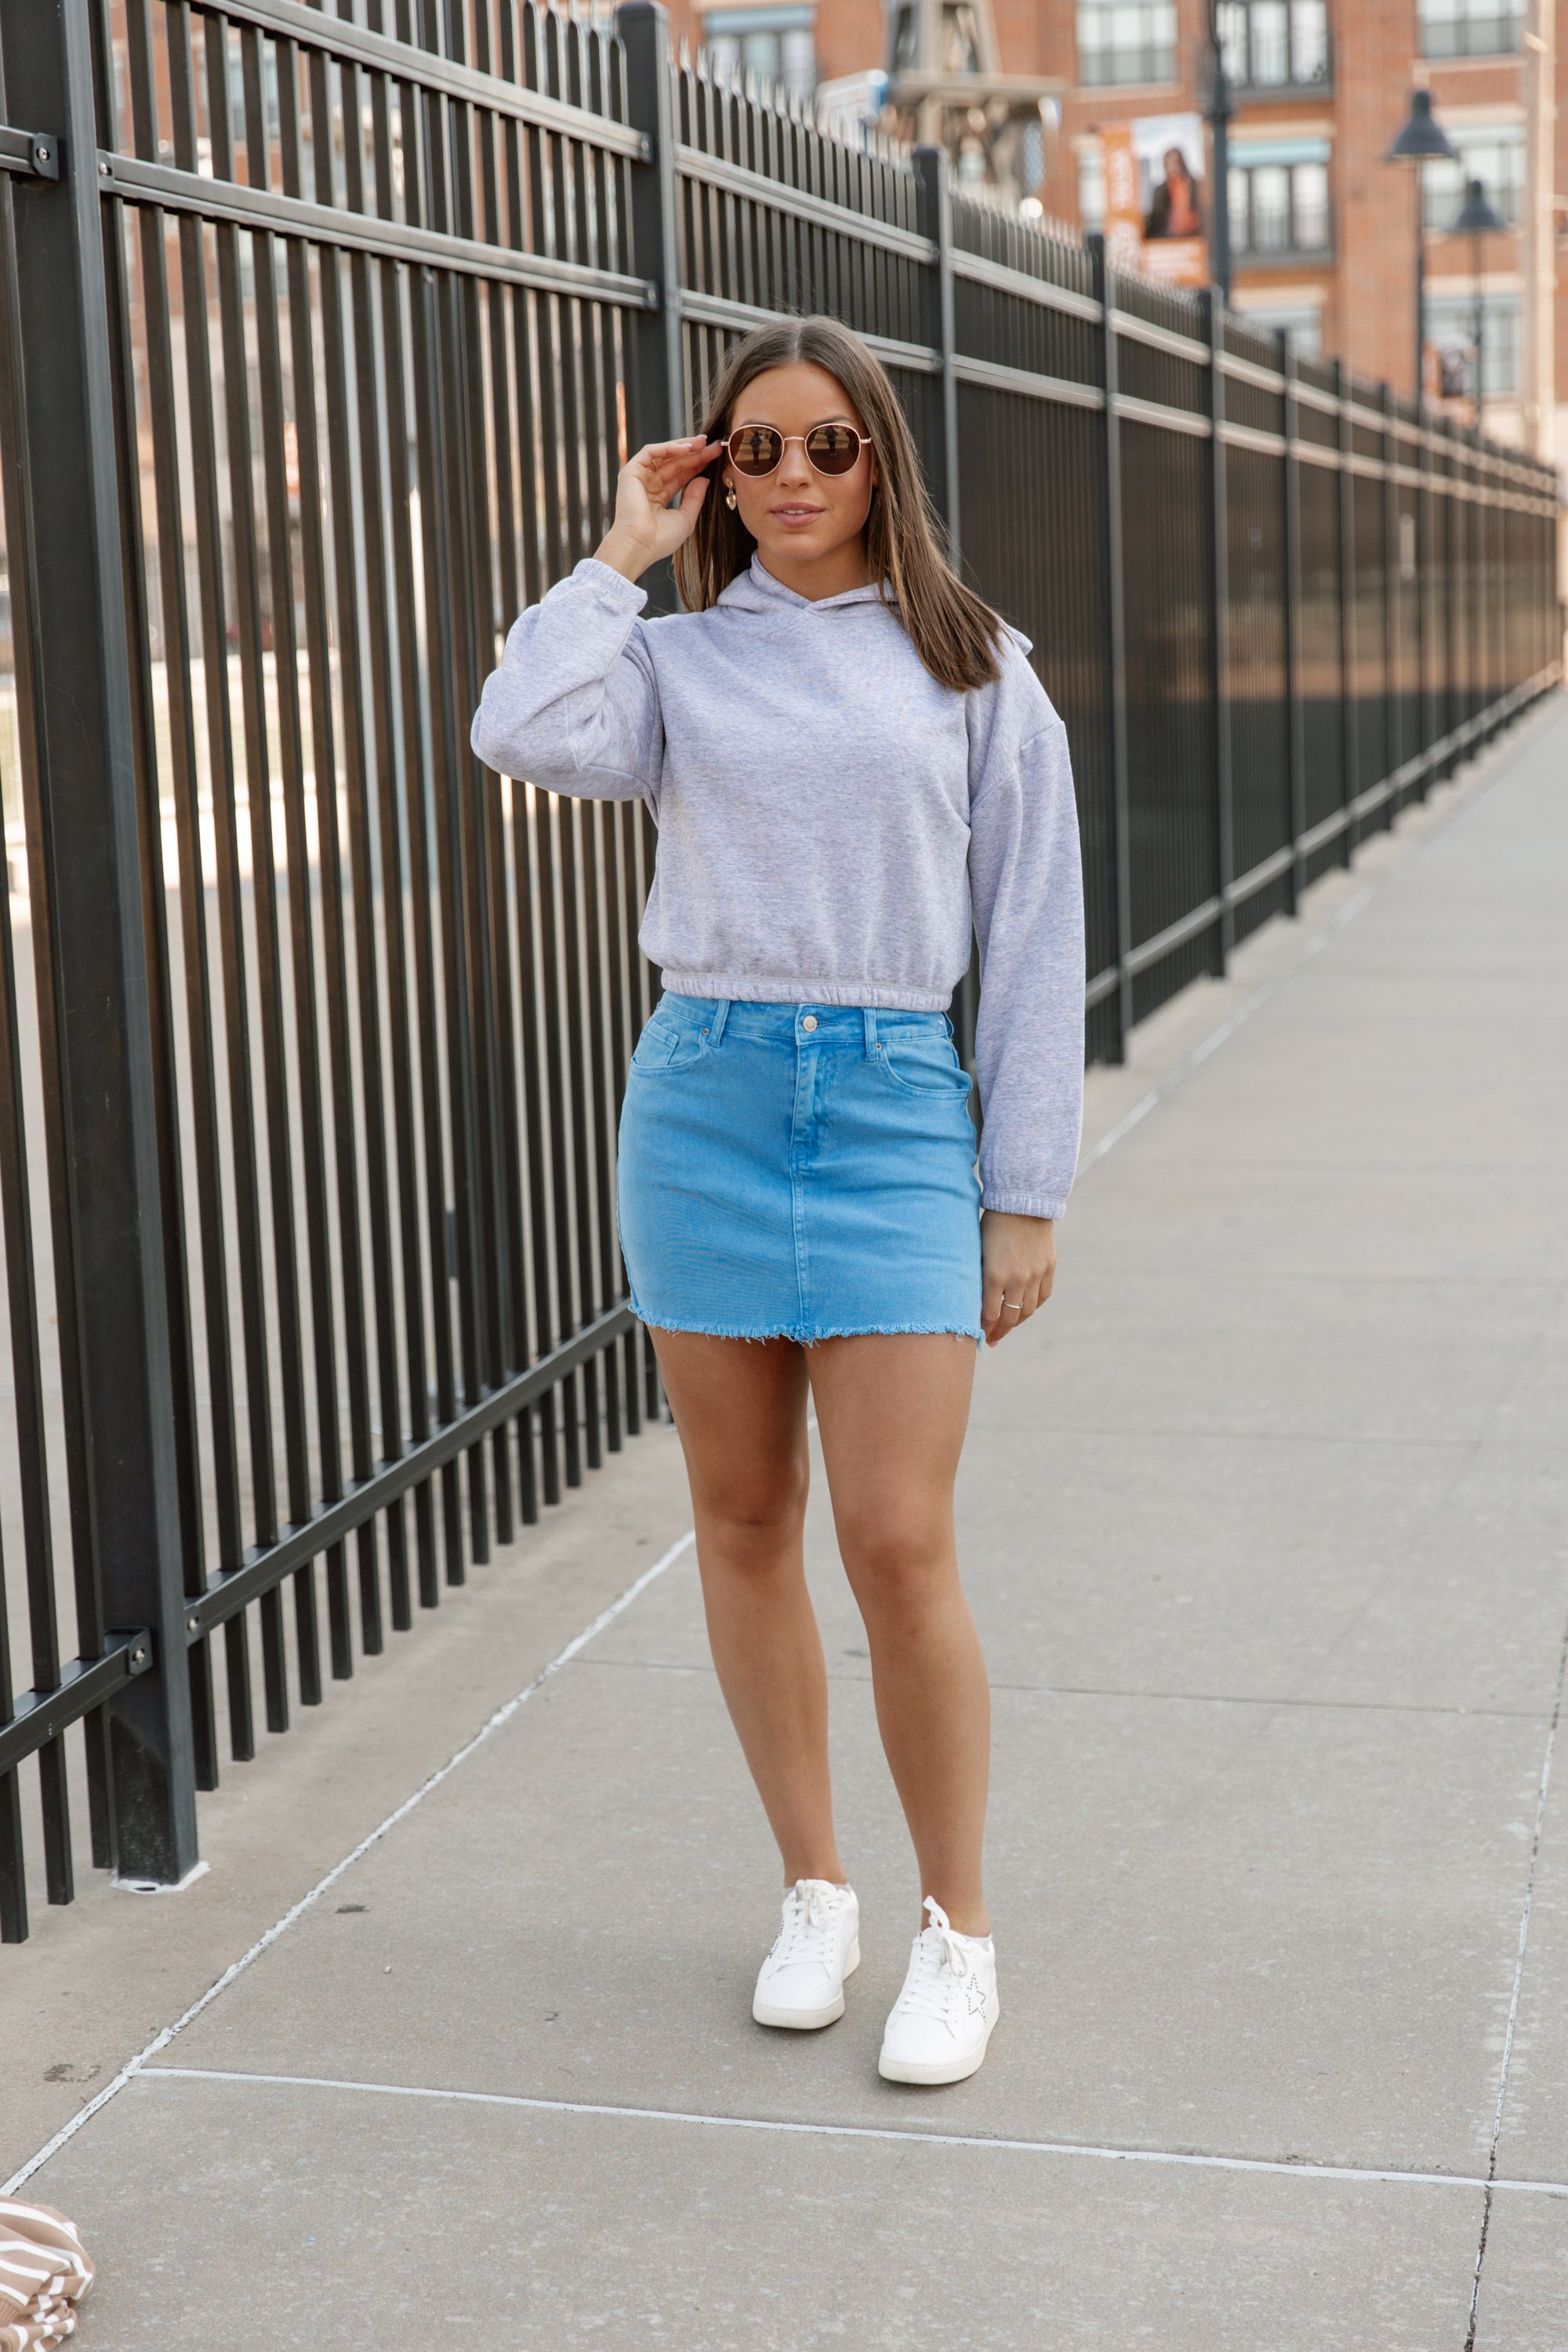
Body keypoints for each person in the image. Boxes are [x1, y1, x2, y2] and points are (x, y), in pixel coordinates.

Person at [472, 315, 1083, 2088]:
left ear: (878, 461)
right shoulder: (672, 662)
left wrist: (1020, 1189)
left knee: (894, 1538)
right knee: (741, 1518)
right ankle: (811, 1887)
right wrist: (616, 551)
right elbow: (516, 724)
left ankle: (952, 1931)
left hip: (893, 1103)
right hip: (704, 1097)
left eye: (828, 444)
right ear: (712, 472)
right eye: (755, 449)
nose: (795, 476)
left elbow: (1035, 942)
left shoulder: (972, 668)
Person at [1145, 144, 1203, 240]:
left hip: (1194, 238)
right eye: (1168, 164)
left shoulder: (1195, 186)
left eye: (1175, 163)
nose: (1172, 168)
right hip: (1169, 242)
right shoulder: (1160, 191)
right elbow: (1156, 220)